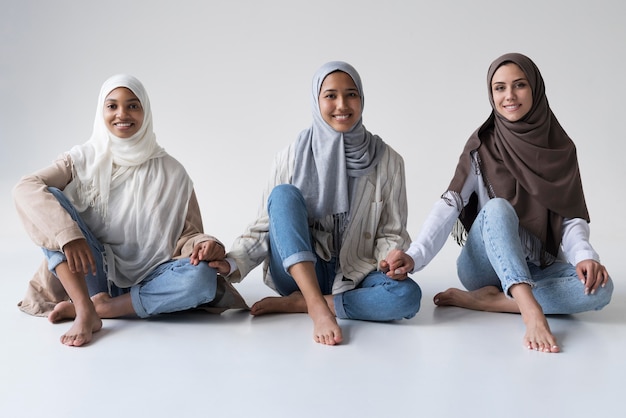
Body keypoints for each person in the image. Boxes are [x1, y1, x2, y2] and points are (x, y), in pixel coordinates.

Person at [383, 53, 613, 353]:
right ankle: (530, 309)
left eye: (519, 85)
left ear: (535, 89)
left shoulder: (561, 148)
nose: (509, 96)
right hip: (483, 268)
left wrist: (584, 256)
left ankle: (492, 301)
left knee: (601, 290)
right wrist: (415, 255)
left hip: (538, 266)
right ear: (491, 95)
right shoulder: (482, 144)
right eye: (499, 88)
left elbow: (570, 217)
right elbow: (450, 204)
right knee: (497, 207)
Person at [13, 74, 246, 347]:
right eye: (112, 106)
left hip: (151, 279)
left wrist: (207, 245)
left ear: (145, 112)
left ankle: (101, 309)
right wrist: (69, 236)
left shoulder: (173, 173)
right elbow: (26, 188)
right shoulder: (80, 160)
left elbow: (188, 236)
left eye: (133, 105)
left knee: (202, 277)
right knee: (48, 205)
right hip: (89, 271)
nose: (122, 114)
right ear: (102, 111)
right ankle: (84, 304)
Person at [210, 61, 422, 345]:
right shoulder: (290, 156)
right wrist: (232, 262)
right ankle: (316, 303)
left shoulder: (388, 160)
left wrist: (389, 260)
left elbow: (391, 231)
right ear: (316, 100)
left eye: (351, 94)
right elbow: (266, 225)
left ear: (361, 99)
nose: (342, 105)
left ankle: (309, 304)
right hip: (298, 273)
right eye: (330, 95)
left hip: (356, 272)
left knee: (408, 296)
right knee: (283, 195)